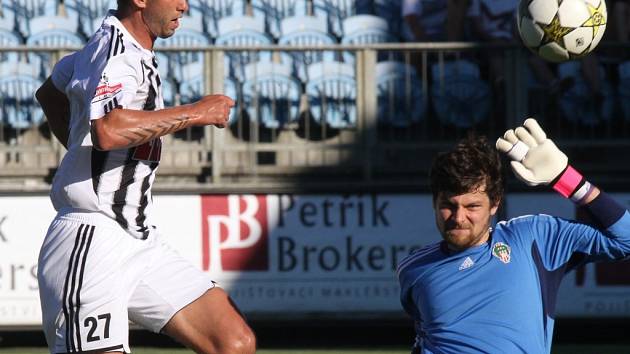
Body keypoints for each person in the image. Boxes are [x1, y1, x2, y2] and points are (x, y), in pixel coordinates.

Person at [34, 0, 256, 353]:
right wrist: (197, 112)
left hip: (136, 239)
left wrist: (81, 152)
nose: (184, 6)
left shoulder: (113, 46)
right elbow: (108, 128)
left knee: (232, 341)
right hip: (92, 240)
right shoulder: (118, 52)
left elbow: (50, 93)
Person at [396, 118, 630, 353]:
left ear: (495, 203)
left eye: (472, 206)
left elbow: (625, 239)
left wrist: (566, 178)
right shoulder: (414, 270)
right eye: (448, 205)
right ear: (434, 204)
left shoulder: (534, 239)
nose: (458, 217)